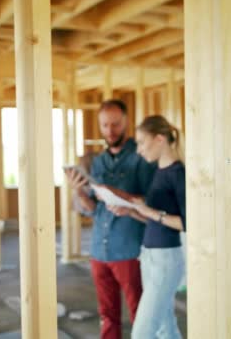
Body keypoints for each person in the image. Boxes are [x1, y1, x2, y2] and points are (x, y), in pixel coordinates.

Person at [66, 99, 156, 339]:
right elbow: (93, 210)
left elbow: (153, 203)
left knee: (141, 313)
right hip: (99, 250)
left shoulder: (141, 157)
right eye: (105, 125)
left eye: (115, 124)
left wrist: (122, 197)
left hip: (129, 249)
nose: (110, 131)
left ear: (126, 122)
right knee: (107, 315)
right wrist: (78, 191)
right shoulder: (97, 162)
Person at [108, 115, 186, 339]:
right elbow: (156, 220)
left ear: (159, 139)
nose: (139, 150)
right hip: (149, 256)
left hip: (166, 260)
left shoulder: (177, 173)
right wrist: (132, 211)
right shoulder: (158, 172)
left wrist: (148, 210)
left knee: (142, 332)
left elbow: (186, 223)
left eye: (142, 142)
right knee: (164, 327)